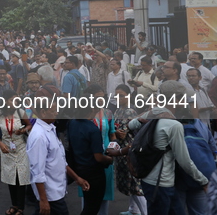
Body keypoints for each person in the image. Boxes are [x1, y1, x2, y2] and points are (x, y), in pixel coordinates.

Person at [127, 80, 209, 215]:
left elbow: (131, 125)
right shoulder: (174, 125)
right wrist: (203, 181)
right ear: (177, 99)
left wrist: (146, 118)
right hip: (161, 184)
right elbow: (185, 161)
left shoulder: (154, 113)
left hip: (149, 180)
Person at [27, 84, 90, 215]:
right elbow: (37, 172)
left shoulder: (50, 129)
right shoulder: (39, 136)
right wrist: (43, 200)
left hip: (56, 192)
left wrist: (76, 178)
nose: (57, 113)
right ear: (43, 112)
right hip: (50, 196)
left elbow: (60, 160)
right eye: (54, 110)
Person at [67, 93, 113, 215]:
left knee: (88, 204)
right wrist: (109, 159)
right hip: (94, 172)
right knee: (92, 208)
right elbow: (98, 157)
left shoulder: (72, 123)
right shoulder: (92, 129)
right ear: (92, 109)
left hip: (79, 168)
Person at [0, 89, 32, 215]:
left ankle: (21, 207)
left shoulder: (20, 112)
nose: (15, 102)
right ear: (5, 101)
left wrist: (23, 130)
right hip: (6, 148)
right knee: (11, 177)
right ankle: (14, 204)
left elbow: (29, 125)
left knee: (21, 177)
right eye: (12, 100)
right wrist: (0, 143)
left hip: (20, 147)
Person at [111, 84, 147, 215]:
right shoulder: (118, 110)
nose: (118, 98)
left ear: (128, 95)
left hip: (129, 150)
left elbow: (127, 132)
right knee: (129, 182)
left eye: (121, 95)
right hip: (121, 150)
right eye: (117, 95)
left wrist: (118, 132)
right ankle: (134, 210)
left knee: (135, 185)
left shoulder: (130, 111)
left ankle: (145, 212)